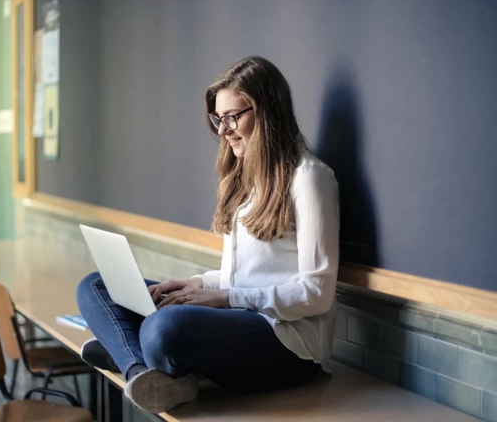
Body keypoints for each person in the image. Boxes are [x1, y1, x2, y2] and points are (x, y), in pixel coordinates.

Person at [76, 56, 340, 414]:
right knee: (95, 285)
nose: (222, 130)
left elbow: (317, 294)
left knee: (165, 327)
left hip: (289, 345)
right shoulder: (245, 182)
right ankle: (145, 372)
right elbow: (239, 276)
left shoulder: (310, 178)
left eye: (233, 116)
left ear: (267, 112)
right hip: (239, 317)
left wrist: (225, 298)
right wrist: (194, 283)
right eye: (218, 118)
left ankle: (131, 351)